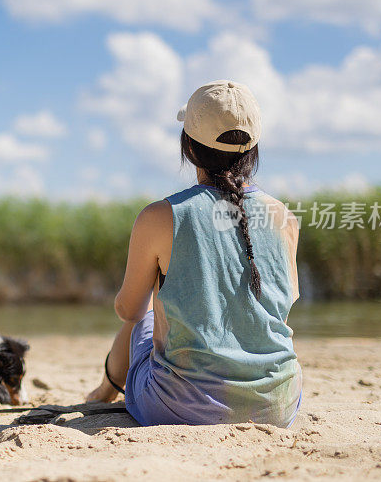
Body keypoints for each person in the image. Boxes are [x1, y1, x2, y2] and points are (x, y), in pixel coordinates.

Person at [86, 80, 301, 427]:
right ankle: (106, 388)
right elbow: (282, 309)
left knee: (145, 313)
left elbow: (128, 309)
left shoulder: (160, 216)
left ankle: (105, 390)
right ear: (254, 149)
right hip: (279, 404)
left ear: (189, 148)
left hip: (180, 404)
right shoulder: (285, 218)